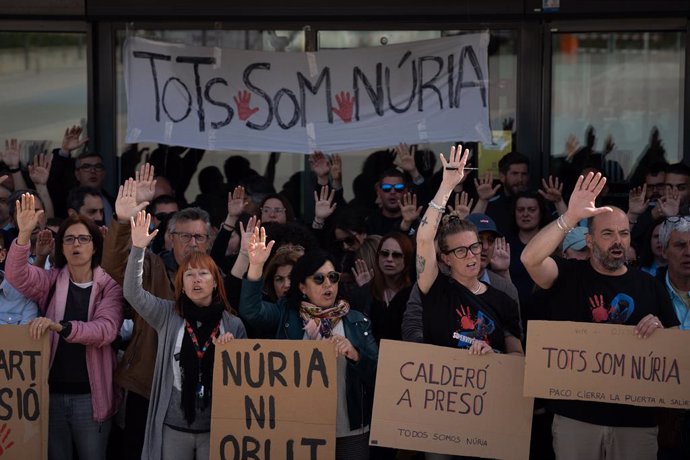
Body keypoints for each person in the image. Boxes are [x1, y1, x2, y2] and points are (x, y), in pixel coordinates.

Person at [520, 171, 680, 460]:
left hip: (636, 422)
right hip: (576, 419)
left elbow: (677, 353)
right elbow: (530, 259)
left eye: (623, 233)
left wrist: (662, 333)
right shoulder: (568, 276)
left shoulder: (650, 286)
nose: (617, 241)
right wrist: (569, 217)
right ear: (590, 241)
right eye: (607, 234)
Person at [101, 168, 213, 460]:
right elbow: (114, 265)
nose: (192, 243)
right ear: (169, 239)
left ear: (209, 241)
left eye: (199, 237)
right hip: (148, 386)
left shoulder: (220, 280)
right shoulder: (150, 267)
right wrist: (123, 221)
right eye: (184, 236)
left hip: (203, 398)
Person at [240, 229, 378, 460]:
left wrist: (356, 355)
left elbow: (378, 373)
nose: (328, 285)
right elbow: (251, 311)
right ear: (302, 287)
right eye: (319, 278)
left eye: (333, 277)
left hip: (349, 429)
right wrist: (255, 266)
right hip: (298, 429)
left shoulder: (356, 321)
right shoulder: (286, 315)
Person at [6, 194, 123, 460]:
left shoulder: (109, 287)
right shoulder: (50, 280)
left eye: (83, 238)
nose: (76, 245)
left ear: (95, 246)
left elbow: (105, 330)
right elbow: (16, 275)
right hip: (50, 395)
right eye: (69, 239)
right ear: (61, 247)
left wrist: (61, 327)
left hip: (90, 399)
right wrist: (24, 235)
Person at [124, 210, 246, 460]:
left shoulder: (233, 325)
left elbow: (245, 380)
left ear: (215, 282)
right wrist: (137, 249)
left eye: (203, 274)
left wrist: (232, 353)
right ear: (181, 283)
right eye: (189, 275)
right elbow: (133, 293)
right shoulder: (167, 314)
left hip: (216, 428)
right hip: (173, 427)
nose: (196, 280)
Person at [414, 145, 523, 357]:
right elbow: (424, 239)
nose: (472, 255)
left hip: (487, 385)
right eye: (461, 251)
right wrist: (446, 186)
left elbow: (518, 356)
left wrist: (494, 354)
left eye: (474, 247)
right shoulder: (435, 290)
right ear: (445, 258)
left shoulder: (504, 300)